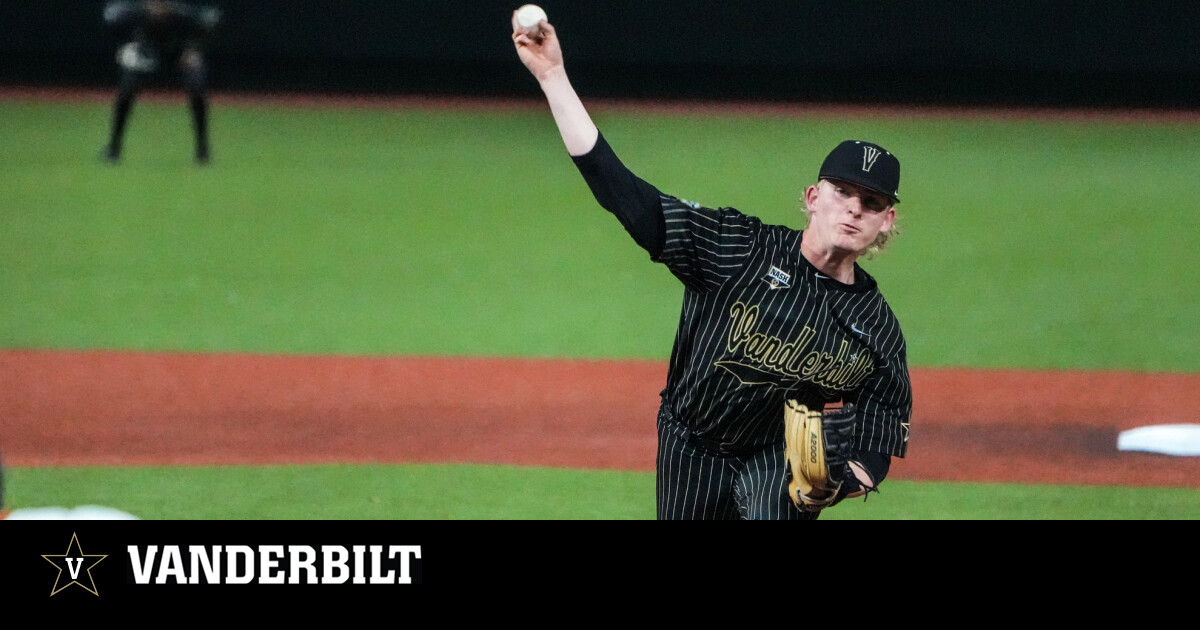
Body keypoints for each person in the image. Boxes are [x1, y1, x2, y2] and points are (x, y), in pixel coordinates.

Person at [511, 14, 912, 520]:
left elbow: (882, 422)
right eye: (843, 192)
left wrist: (848, 478)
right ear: (813, 197)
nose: (854, 208)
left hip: (778, 455)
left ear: (886, 222)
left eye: (871, 202)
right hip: (691, 442)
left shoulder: (874, 326)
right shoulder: (738, 248)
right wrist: (553, 78)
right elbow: (625, 194)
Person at [101, 0, 221, 164]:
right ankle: (114, 148)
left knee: (197, 87)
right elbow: (111, 15)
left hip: (178, 54)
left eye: (163, 4)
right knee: (126, 90)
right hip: (146, 53)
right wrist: (126, 45)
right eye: (154, 4)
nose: (158, 8)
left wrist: (193, 49)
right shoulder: (134, 14)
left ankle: (202, 149)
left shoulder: (183, 15)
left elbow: (211, 18)